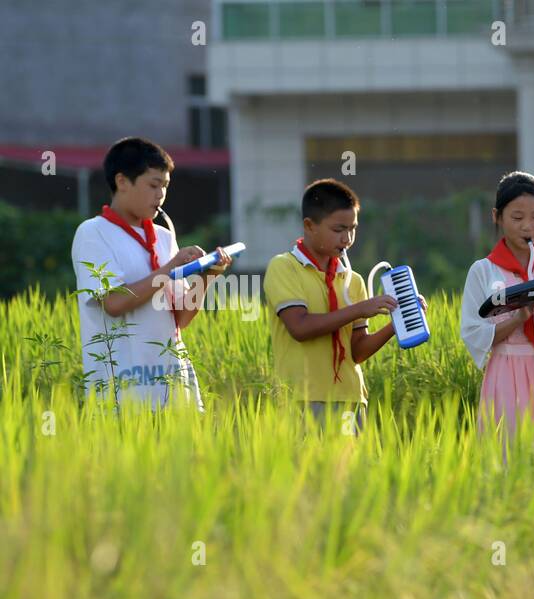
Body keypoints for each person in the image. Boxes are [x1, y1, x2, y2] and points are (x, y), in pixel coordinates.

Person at [72, 136, 231, 409]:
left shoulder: (164, 236)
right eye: (153, 185)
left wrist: (207, 277)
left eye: (165, 187)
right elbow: (114, 303)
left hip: (172, 385)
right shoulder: (93, 233)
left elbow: (180, 318)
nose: (160, 195)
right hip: (123, 389)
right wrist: (169, 269)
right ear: (122, 181)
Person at [263, 178, 399, 435]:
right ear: (309, 226)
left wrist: (396, 324)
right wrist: (359, 309)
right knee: (305, 472)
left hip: (351, 399)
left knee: (351, 473)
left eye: (353, 229)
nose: (347, 238)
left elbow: (356, 352)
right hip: (303, 398)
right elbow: (300, 327)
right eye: (338, 229)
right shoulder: (284, 267)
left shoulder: (352, 280)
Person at [459, 171, 534, 443]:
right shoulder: (483, 271)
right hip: (505, 368)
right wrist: (520, 315)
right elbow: (474, 332)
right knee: (504, 452)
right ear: (497, 217)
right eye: (517, 217)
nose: (528, 226)